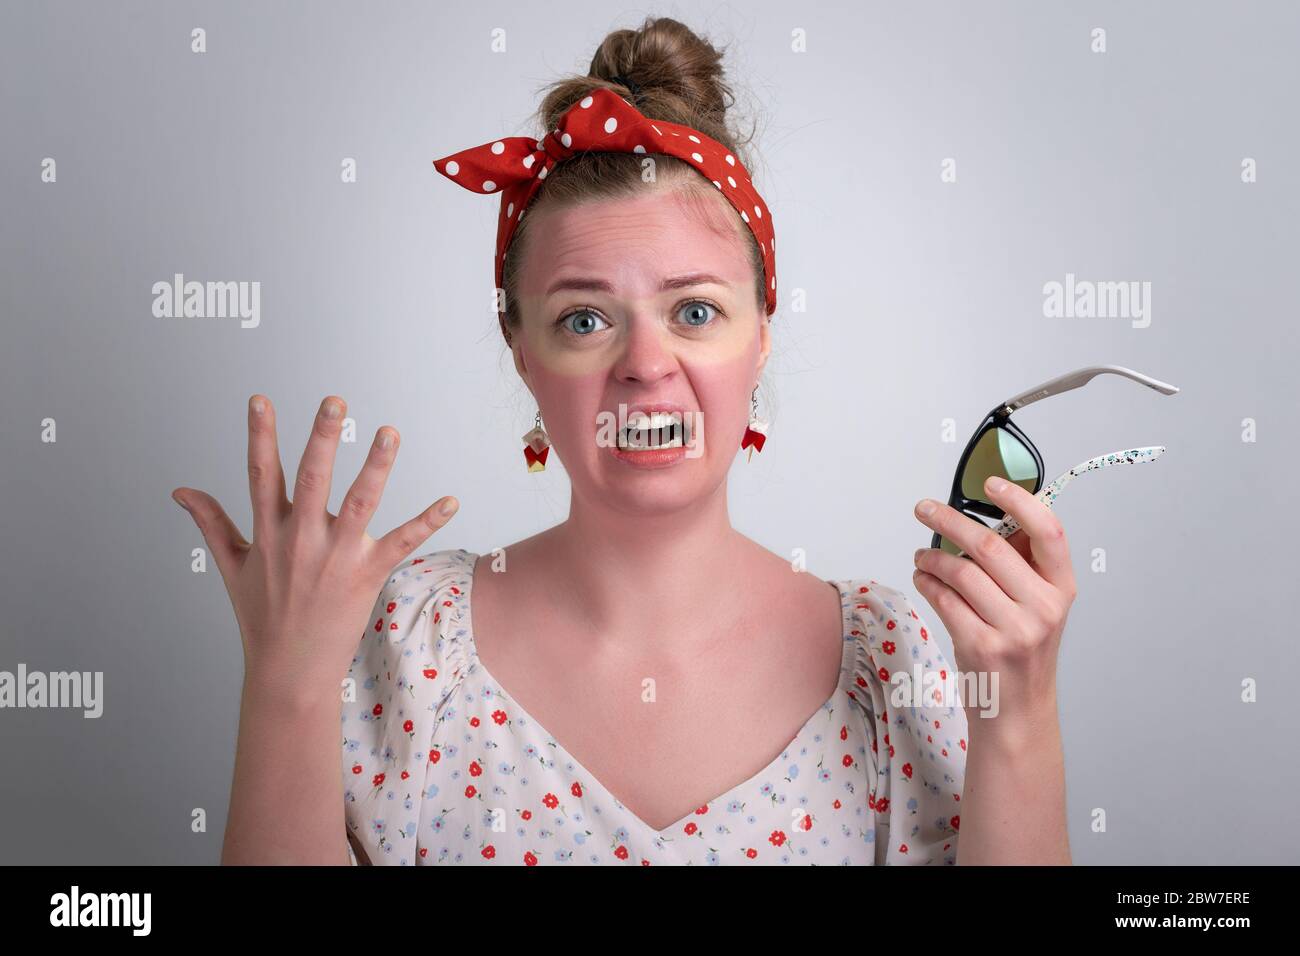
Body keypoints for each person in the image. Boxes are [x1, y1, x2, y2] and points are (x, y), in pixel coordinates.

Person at [177, 16, 1073, 867]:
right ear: (521, 352)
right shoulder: (408, 646)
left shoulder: (893, 661)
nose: (647, 364)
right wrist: (288, 688)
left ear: (762, 333)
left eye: (694, 311)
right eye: (584, 318)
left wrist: (1020, 706)